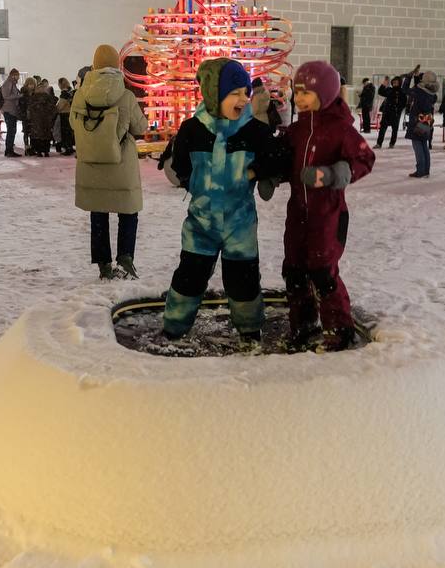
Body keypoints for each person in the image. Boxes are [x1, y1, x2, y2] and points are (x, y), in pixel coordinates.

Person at [159, 59, 286, 342]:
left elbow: (278, 158)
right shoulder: (193, 129)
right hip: (200, 225)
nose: (244, 99)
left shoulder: (253, 131)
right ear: (215, 96)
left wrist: (252, 171)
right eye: (235, 93)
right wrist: (195, 182)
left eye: (246, 92)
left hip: (238, 226)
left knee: (243, 281)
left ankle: (250, 330)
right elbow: (179, 166)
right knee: (189, 277)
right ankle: (174, 328)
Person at [281, 61, 375, 352]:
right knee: (295, 271)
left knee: (323, 272)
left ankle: (340, 328)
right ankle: (304, 323)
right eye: (296, 93)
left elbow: (364, 159)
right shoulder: (296, 131)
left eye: (305, 93)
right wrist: (270, 173)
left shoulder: (340, 130)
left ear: (325, 93)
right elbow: (283, 159)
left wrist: (332, 174)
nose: (298, 99)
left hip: (327, 215)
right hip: (297, 214)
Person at [72, 44, 147, 280]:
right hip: (121, 164)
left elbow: (75, 126)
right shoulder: (126, 96)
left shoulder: (80, 96)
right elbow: (141, 127)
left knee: (98, 213)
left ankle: (103, 263)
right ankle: (125, 258)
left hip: (92, 164)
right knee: (128, 211)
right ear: (117, 65)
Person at [406, 70, 439, 178]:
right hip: (427, 120)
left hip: (417, 120)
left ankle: (420, 170)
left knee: (417, 145)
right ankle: (426, 170)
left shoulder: (419, 91)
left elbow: (405, 90)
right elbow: (418, 90)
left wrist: (408, 77)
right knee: (424, 144)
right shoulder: (432, 93)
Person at [27, 78, 58, 157]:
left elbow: (30, 109)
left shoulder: (33, 98)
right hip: (46, 121)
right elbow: (53, 109)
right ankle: (46, 151)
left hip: (36, 121)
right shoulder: (48, 98)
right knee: (46, 136)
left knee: (38, 137)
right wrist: (50, 117)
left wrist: (31, 118)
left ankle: (39, 151)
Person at [0, 68, 22, 157]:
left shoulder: (12, 84)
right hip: (9, 110)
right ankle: (9, 150)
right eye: (17, 75)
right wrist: (19, 96)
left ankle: (9, 149)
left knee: (12, 130)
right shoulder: (8, 83)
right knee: (11, 130)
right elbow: (6, 96)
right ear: (13, 75)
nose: (18, 77)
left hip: (11, 110)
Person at [19, 75, 39, 155]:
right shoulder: (23, 94)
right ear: (27, 85)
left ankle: (32, 148)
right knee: (26, 132)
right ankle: (27, 148)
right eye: (30, 84)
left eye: (33, 84)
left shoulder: (35, 94)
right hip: (25, 116)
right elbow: (21, 105)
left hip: (34, 116)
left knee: (33, 132)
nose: (31, 86)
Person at [55, 78, 75, 155]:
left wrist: (56, 109)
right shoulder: (71, 92)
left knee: (65, 133)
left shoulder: (64, 93)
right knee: (70, 132)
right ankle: (70, 147)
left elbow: (60, 106)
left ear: (60, 84)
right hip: (70, 113)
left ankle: (67, 148)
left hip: (64, 114)